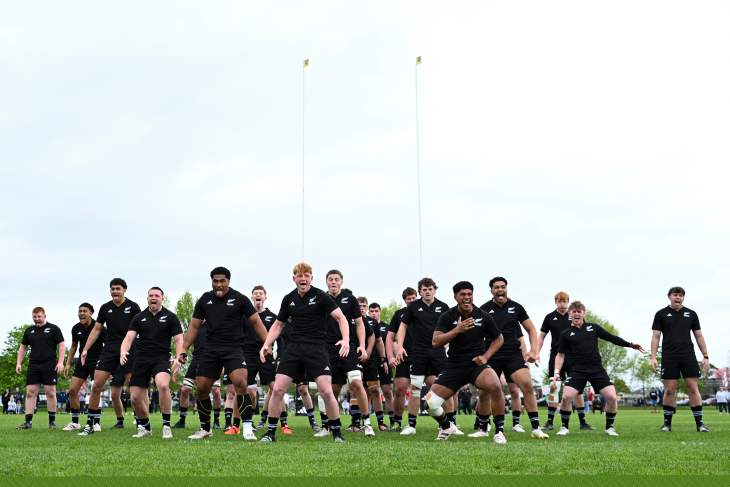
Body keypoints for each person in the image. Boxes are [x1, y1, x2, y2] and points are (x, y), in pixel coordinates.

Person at [256, 262, 351, 443]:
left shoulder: (321, 296)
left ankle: (337, 433)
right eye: (299, 276)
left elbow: (341, 318)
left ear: (311, 279)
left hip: (316, 348)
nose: (303, 278)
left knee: (326, 391)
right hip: (294, 348)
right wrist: (267, 344)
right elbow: (278, 325)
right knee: (277, 390)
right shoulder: (289, 299)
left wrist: (345, 339)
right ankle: (270, 433)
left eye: (306, 275)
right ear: (294, 279)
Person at [176, 266, 268, 440]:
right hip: (210, 349)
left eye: (222, 281)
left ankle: (247, 428)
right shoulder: (205, 299)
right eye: (215, 281)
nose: (219, 285)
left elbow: (256, 322)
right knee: (202, 390)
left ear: (228, 281)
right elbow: (194, 326)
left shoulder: (239, 299)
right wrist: (184, 348)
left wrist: (267, 344)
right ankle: (205, 429)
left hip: (233, 348)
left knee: (241, 384)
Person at [423, 281, 507, 442]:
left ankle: (499, 432)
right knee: (429, 404)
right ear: (456, 297)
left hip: (477, 365)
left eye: (469, 294)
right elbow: (436, 342)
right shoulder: (447, 316)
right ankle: (447, 426)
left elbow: (499, 338)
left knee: (496, 387)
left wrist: (486, 356)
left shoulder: (483, 315)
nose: (467, 297)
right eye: (463, 294)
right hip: (454, 365)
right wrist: (457, 329)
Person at [554, 300, 644, 436]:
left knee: (612, 397)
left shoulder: (593, 328)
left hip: (597, 369)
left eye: (579, 311)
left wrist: (630, 344)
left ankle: (610, 428)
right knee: (566, 397)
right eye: (574, 311)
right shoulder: (566, 333)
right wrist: (556, 372)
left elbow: (611, 338)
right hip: (578, 370)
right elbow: (560, 355)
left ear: (583, 314)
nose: (577, 314)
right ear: (570, 314)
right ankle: (564, 427)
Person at [475, 277, 549, 439]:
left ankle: (536, 428)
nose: (500, 290)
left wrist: (533, 351)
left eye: (503, 287)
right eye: (496, 287)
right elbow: (476, 334)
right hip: (491, 355)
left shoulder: (516, 307)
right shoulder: (484, 309)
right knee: (484, 391)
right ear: (491, 291)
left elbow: (531, 330)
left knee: (527, 385)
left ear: (506, 289)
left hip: (512, 355)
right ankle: (482, 429)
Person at [78, 278, 142, 435]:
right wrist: (86, 348)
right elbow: (96, 330)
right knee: (96, 385)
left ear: (124, 290)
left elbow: (142, 328)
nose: (115, 291)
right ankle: (89, 425)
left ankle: (141, 424)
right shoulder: (105, 308)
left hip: (128, 348)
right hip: (110, 349)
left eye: (118, 288)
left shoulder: (133, 307)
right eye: (112, 288)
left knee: (133, 387)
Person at [317, 271, 374, 436]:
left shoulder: (350, 300)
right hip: (327, 349)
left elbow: (359, 323)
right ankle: (327, 426)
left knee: (356, 383)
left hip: (347, 346)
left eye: (336, 279)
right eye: (330, 279)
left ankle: (367, 424)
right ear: (326, 282)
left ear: (341, 282)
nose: (333, 282)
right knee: (331, 389)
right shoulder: (320, 299)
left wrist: (362, 345)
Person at [121, 286, 184, 438]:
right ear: (147, 299)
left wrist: (178, 357)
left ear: (162, 298)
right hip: (141, 359)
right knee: (135, 398)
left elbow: (178, 339)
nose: (153, 298)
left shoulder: (170, 317)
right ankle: (146, 427)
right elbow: (128, 338)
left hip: (161, 358)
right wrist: (123, 351)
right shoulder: (139, 317)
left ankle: (166, 426)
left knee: (163, 386)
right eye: (151, 295)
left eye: (156, 295)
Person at [395, 278, 454, 435]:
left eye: (430, 288)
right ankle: (412, 425)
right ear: (419, 291)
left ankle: (451, 424)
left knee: (444, 388)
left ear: (435, 290)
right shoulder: (414, 306)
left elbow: (452, 329)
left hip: (438, 353)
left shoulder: (443, 307)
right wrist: (399, 346)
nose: (427, 291)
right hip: (419, 352)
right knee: (415, 387)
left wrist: (448, 344)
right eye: (424, 289)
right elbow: (403, 326)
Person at [651, 286, 711, 433]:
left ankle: (700, 424)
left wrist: (705, 356)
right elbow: (656, 337)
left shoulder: (691, 314)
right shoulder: (661, 314)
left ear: (683, 298)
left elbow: (698, 336)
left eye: (680, 295)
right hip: (669, 356)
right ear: (669, 297)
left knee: (692, 388)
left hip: (688, 356)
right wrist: (653, 357)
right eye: (674, 295)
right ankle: (667, 424)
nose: (678, 297)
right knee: (670, 389)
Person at [535, 292, 591, 431]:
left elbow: (584, 334)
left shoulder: (573, 316)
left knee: (578, 390)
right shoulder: (549, 317)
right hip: (556, 356)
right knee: (554, 388)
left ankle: (583, 422)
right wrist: (536, 352)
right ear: (555, 302)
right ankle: (550, 422)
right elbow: (541, 336)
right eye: (560, 301)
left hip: (574, 357)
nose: (562, 304)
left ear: (568, 302)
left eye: (565, 301)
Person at [235, 286, 282, 434]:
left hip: (266, 355)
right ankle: (236, 425)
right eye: (255, 294)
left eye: (261, 294)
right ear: (252, 298)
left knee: (276, 388)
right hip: (247, 355)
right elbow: (238, 336)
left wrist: (279, 357)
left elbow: (280, 338)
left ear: (265, 298)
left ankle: (284, 423)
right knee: (241, 388)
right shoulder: (245, 317)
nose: (258, 295)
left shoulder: (272, 317)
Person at [15, 307, 66, 430]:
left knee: (50, 392)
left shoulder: (54, 329)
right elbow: (23, 347)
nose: (37, 319)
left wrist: (60, 362)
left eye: (39, 317)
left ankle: (52, 422)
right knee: (30, 392)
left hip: (49, 364)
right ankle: (28, 422)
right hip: (34, 365)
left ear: (44, 316)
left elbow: (62, 344)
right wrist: (18, 363)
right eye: (34, 317)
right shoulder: (29, 331)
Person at [63, 303, 105, 431]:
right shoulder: (76, 328)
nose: (81, 313)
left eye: (84, 311)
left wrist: (107, 365)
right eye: (80, 311)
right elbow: (74, 346)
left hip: (97, 363)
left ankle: (96, 423)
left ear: (91, 313)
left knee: (95, 390)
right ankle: (75, 422)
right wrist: (68, 363)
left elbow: (108, 345)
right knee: (72, 390)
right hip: (82, 363)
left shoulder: (100, 328)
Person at [172, 321, 222, 430]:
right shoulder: (195, 325)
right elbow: (187, 341)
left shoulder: (215, 322)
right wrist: (182, 355)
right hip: (196, 360)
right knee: (185, 390)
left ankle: (216, 421)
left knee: (216, 390)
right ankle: (182, 421)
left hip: (212, 359)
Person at [385, 287, 419, 431]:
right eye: (408, 298)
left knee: (417, 389)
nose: (411, 300)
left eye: (413, 297)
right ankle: (396, 422)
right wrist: (391, 356)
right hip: (403, 357)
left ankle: (412, 423)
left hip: (421, 356)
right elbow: (389, 337)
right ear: (404, 300)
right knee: (400, 389)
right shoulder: (399, 314)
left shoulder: (425, 312)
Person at [360, 296, 390, 432]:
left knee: (375, 391)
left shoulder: (372, 322)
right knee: (357, 391)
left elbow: (379, 341)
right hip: (355, 359)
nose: (362, 308)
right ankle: (356, 423)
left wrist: (383, 360)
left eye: (364, 306)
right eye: (359, 305)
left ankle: (381, 422)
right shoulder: (349, 320)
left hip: (371, 360)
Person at [368, 302, 395, 428]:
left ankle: (393, 421)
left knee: (387, 392)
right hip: (369, 361)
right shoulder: (364, 324)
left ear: (380, 312)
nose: (374, 313)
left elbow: (392, 343)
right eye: (371, 311)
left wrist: (393, 358)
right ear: (369, 312)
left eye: (376, 311)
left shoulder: (387, 327)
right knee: (369, 391)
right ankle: (366, 422)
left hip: (384, 362)